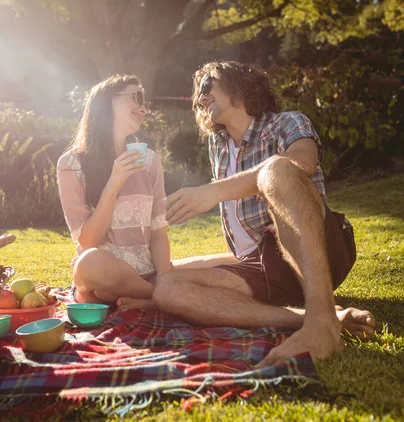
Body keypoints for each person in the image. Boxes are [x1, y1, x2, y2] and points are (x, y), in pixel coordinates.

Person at [154, 61, 376, 367]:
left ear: (239, 86)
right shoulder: (218, 145)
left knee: (276, 169)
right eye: (197, 95)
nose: (201, 98)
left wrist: (213, 191)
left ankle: (321, 325)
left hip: (317, 246)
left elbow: (302, 163)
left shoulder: (286, 123)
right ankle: (318, 317)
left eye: (207, 86)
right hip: (264, 266)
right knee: (167, 286)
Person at [57, 74, 170, 311]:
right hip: (99, 274)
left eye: (144, 101)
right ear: (108, 102)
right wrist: (114, 183)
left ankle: (155, 294)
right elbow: (88, 242)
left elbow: (159, 233)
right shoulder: (71, 164)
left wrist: (164, 276)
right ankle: (164, 298)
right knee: (90, 264)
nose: (144, 109)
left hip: (142, 276)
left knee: (224, 265)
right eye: (136, 97)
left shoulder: (150, 161)